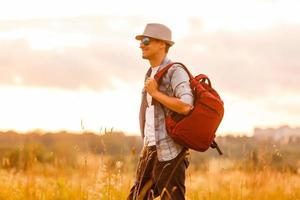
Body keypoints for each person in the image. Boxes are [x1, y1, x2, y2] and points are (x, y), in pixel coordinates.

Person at [127, 23, 194, 200]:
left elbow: (186, 106)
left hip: (171, 153)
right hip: (149, 150)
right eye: (141, 41)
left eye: (146, 40)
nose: (141, 44)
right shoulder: (150, 73)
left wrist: (156, 93)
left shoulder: (175, 71)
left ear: (162, 44)